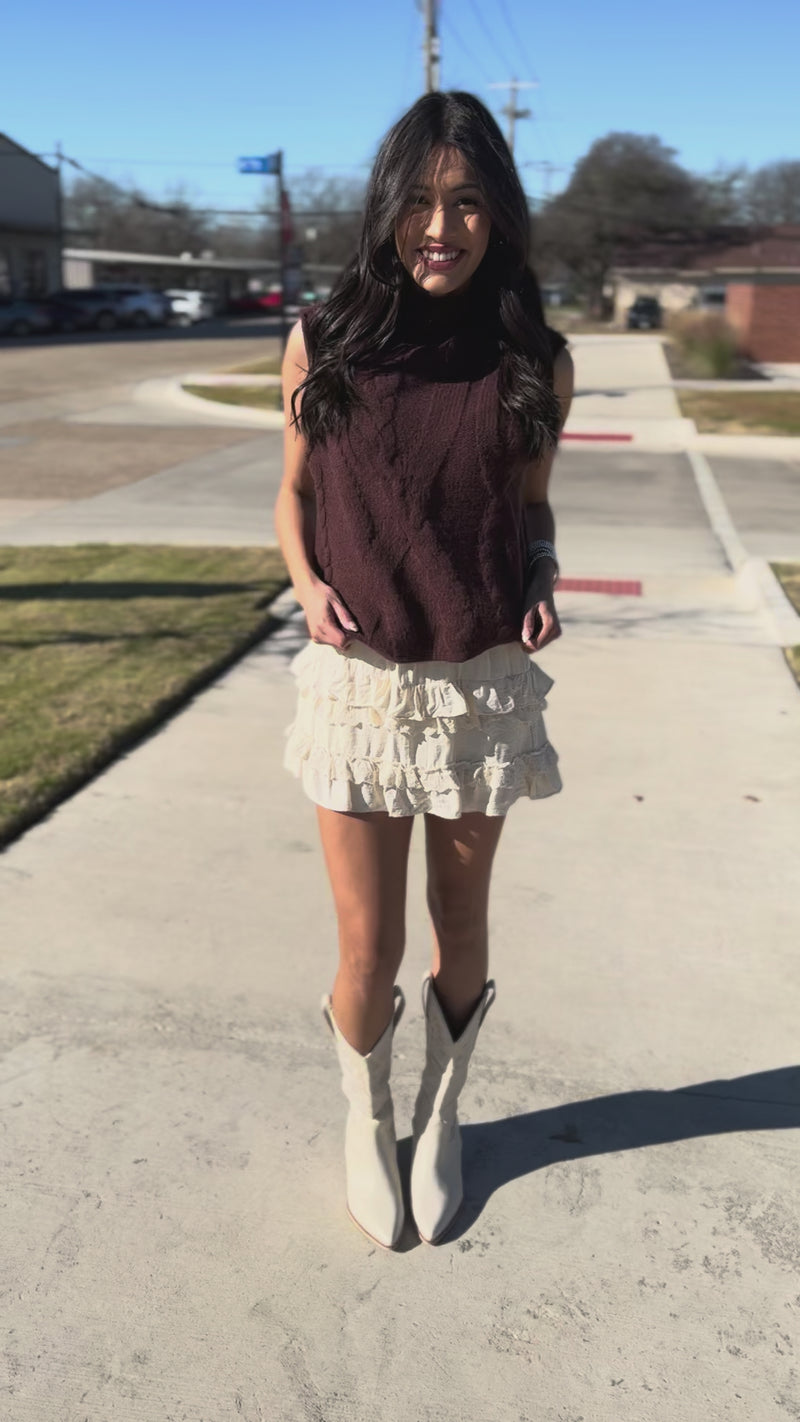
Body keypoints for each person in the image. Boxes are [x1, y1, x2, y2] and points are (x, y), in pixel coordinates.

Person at [274, 90, 574, 1249]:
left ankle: (442, 1115)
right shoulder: (324, 338)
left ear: (496, 216)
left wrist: (541, 570)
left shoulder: (533, 358)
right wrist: (305, 586)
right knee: (368, 945)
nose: (437, 228)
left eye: (463, 204)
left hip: (476, 685)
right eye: (416, 202)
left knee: (462, 925)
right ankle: (368, 1115)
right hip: (356, 685)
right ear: (385, 211)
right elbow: (294, 493)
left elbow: (534, 504)